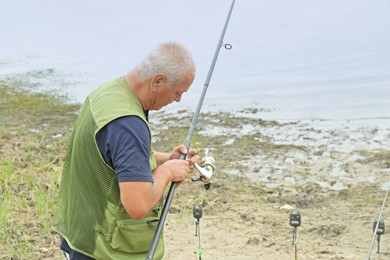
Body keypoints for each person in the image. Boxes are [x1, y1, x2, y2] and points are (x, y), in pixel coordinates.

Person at [53, 42, 199, 260]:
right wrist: (166, 172)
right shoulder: (128, 125)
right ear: (157, 81)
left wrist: (167, 159)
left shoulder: (108, 93)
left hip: (80, 233)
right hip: (101, 249)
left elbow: (114, 157)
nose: (178, 100)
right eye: (178, 92)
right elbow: (137, 205)